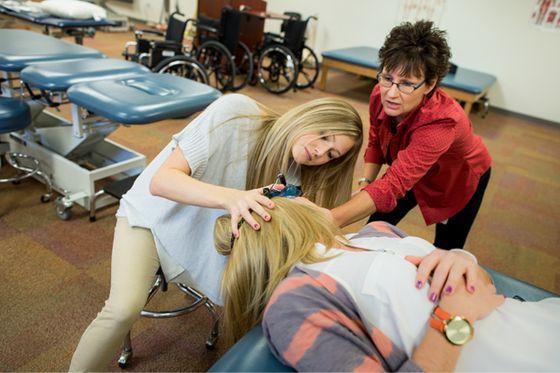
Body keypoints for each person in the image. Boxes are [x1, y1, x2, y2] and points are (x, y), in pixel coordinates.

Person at [69, 93, 364, 371]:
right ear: (309, 115)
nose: (319, 152)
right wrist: (232, 197)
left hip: (205, 242)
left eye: (331, 153)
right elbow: (161, 182)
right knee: (123, 309)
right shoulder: (237, 113)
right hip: (152, 220)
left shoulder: (295, 176)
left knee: (269, 302)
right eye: (324, 136)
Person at [213, 198, 560, 372]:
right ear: (287, 218)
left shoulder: (376, 232)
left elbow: (483, 287)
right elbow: (463, 307)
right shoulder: (294, 305)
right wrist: (453, 320)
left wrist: (463, 261)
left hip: (536, 326)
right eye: (292, 196)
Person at [331, 20, 492, 250]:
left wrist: (331, 219)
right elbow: (376, 141)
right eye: (387, 78)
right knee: (373, 229)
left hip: (457, 175)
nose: (392, 94)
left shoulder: (443, 121)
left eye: (407, 83)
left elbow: (395, 182)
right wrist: (367, 182)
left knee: (445, 249)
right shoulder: (380, 93)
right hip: (409, 166)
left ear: (429, 84)